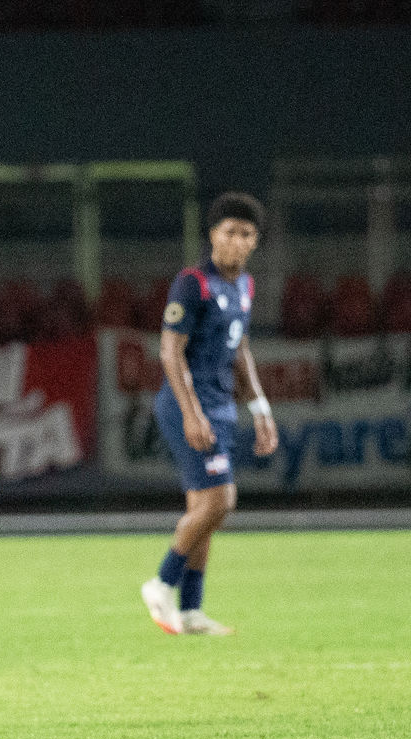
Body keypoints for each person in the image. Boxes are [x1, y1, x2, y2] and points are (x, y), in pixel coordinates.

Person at [141, 193, 278, 635]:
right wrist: (192, 412)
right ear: (213, 235)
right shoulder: (192, 283)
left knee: (205, 508)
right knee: (222, 501)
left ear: (256, 241)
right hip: (188, 406)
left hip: (222, 406)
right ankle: (162, 582)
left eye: (246, 234)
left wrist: (259, 407)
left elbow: (240, 349)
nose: (237, 241)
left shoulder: (244, 286)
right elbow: (169, 351)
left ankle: (193, 609)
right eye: (229, 232)